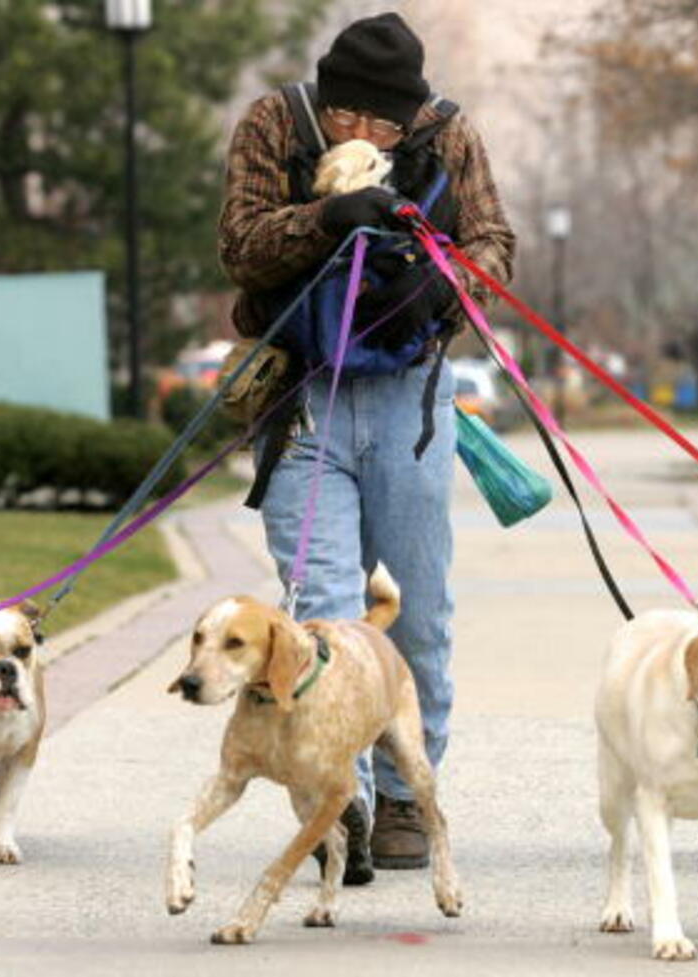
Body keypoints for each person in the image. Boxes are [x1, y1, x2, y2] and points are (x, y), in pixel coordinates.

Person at [217, 11, 515, 884]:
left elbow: (496, 243)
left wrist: (444, 283)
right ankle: (331, 794)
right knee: (321, 611)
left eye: (388, 125)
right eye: (358, 120)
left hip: (410, 402)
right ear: (331, 104)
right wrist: (326, 216)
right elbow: (239, 245)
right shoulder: (276, 124)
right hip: (303, 398)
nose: (372, 137)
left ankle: (402, 798)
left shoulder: (447, 130)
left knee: (417, 610)